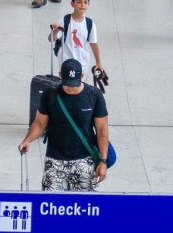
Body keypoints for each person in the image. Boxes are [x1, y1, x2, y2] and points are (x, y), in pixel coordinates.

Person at [18, 59, 109, 191]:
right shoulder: (50, 93)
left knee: (84, 206)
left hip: (83, 160)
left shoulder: (94, 95)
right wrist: (27, 140)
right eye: (67, 84)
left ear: (82, 76)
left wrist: (103, 160)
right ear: (60, 75)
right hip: (55, 160)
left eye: (74, 84)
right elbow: (39, 122)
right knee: (51, 205)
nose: (71, 88)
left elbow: (102, 130)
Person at [49, 0, 104, 80]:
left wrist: (98, 62)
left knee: (79, 88)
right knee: (67, 87)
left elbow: (93, 43)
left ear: (89, 5)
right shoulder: (64, 21)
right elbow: (51, 39)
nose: (82, 5)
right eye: (79, 2)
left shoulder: (89, 23)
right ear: (72, 4)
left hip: (83, 63)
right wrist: (55, 30)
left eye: (85, 2)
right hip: (65, 62)